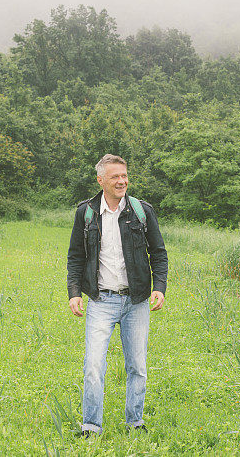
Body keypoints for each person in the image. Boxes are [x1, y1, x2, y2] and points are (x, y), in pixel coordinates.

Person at [66, 154, 168, 437]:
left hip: (136, 301)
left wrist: (159, 286)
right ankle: (91, 426)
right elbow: (75, 256)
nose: (122, 181)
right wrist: (74, 292)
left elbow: (158, 253)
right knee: (93, 365)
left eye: (124, 175)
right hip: (101, 300)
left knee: (137, 365)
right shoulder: (86, 212)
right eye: (115, 177)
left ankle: (135, 422)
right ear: (101, 180)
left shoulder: (140, 211)